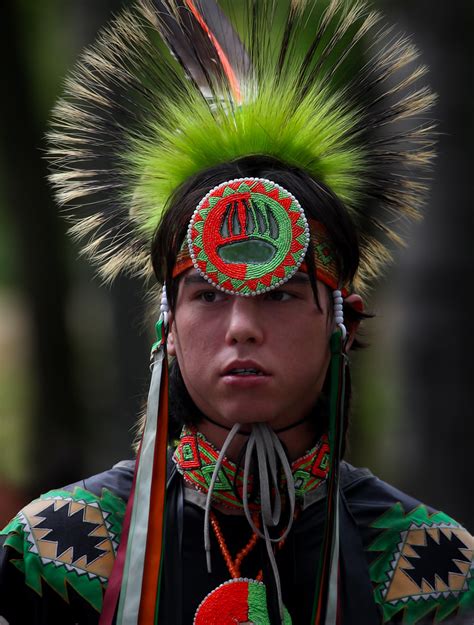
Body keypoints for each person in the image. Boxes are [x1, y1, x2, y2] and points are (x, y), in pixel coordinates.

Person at [0, 1, 472, 624]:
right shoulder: (58, 552)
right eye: (208, 295)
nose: (241, 326)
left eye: (279, 295)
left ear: (344, 322)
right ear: (167, 326)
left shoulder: (428, 569)